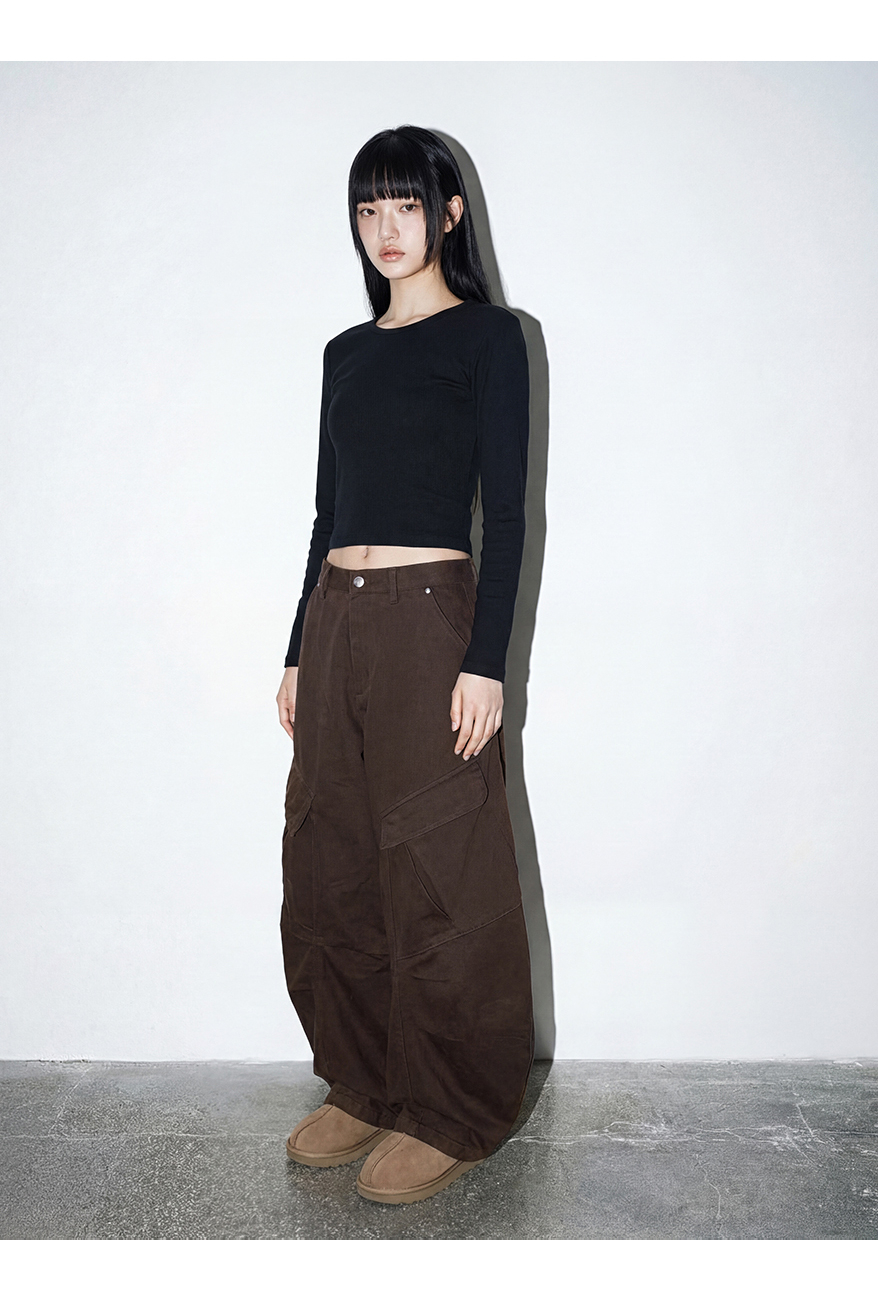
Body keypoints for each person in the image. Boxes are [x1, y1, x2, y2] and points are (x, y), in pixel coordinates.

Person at [275, 124, 534, 1205]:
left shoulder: (490, 338)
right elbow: (326, 512)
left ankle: (453, 1106)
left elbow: (508, 515)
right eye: (367, 209)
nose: (386, 229)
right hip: (337, 620)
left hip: (432, 620)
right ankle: (366, 1080)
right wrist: (298, 648)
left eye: (406, 207)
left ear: (449, 214)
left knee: (441, 865)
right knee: (329, 856)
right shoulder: (344, 352)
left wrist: (486, 662)